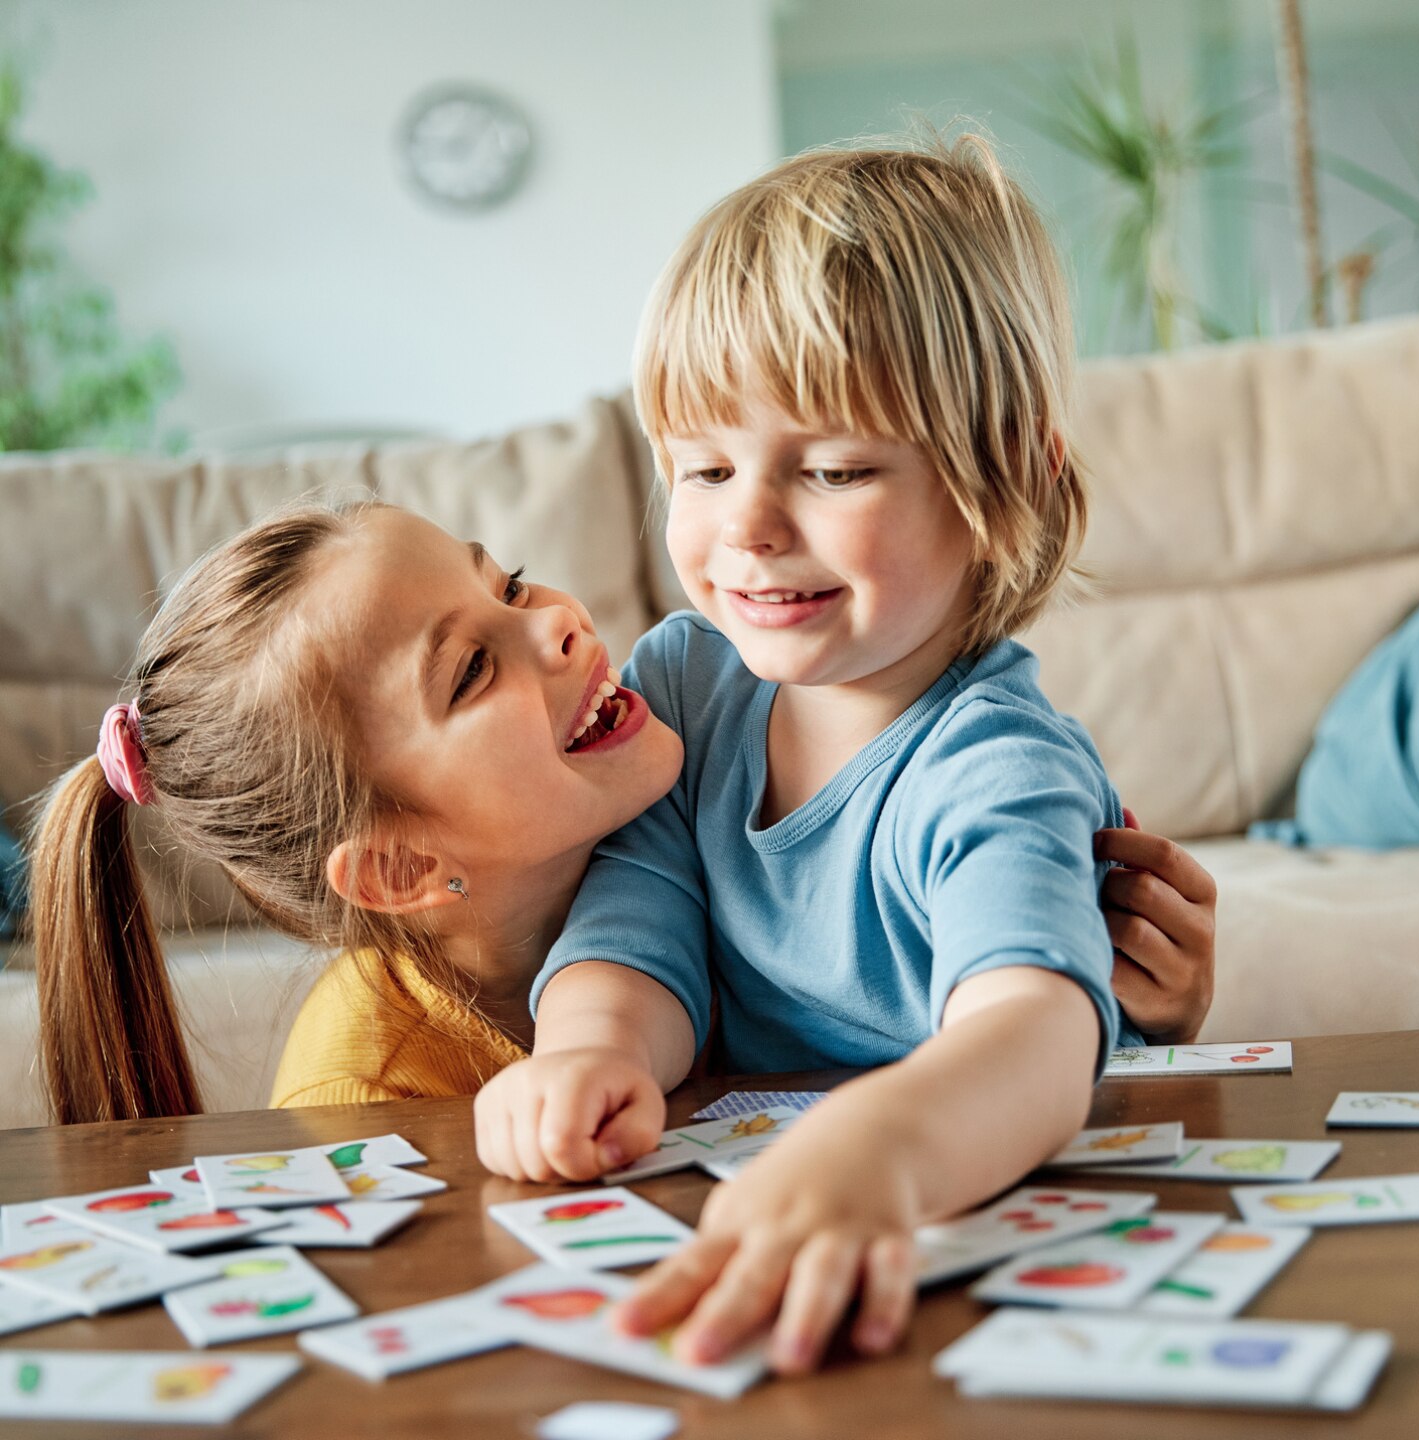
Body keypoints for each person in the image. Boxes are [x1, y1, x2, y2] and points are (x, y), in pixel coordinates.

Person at [472, 136, 1214, 1376]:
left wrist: (878, 1150)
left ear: (1006, 486)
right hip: (749, 1223)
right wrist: (592, 1049)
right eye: (704, 468)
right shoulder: (683, 682)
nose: (749, 526)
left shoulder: (998, 757)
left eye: (834, 469)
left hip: (959, 1229)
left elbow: (1031, 1029)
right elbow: (639, 920)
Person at [27, 499, 1208, 1127]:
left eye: (510, 581)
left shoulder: (724, 798)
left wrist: (1129, 1005)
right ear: (393, 868)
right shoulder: (368, 1092)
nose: (558, 625)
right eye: (471, 671)